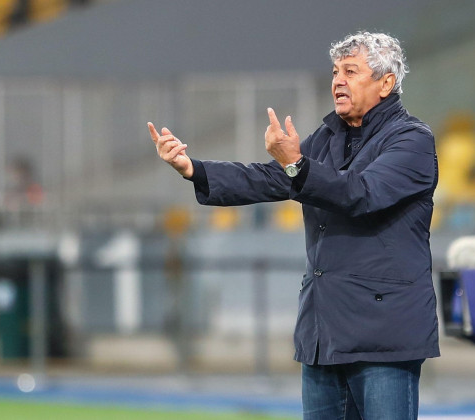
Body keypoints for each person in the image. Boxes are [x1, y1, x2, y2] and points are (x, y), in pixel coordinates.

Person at [149, 31, 439, 420]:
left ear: (386, 83)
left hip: (382, 335)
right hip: (323, 332)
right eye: (336, 71)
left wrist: (296, 165)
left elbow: (361, 193)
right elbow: (269, 178)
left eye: (351, 71)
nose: (338, 80)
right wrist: (192, 169)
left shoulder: (412, 140)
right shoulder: (328, 137)